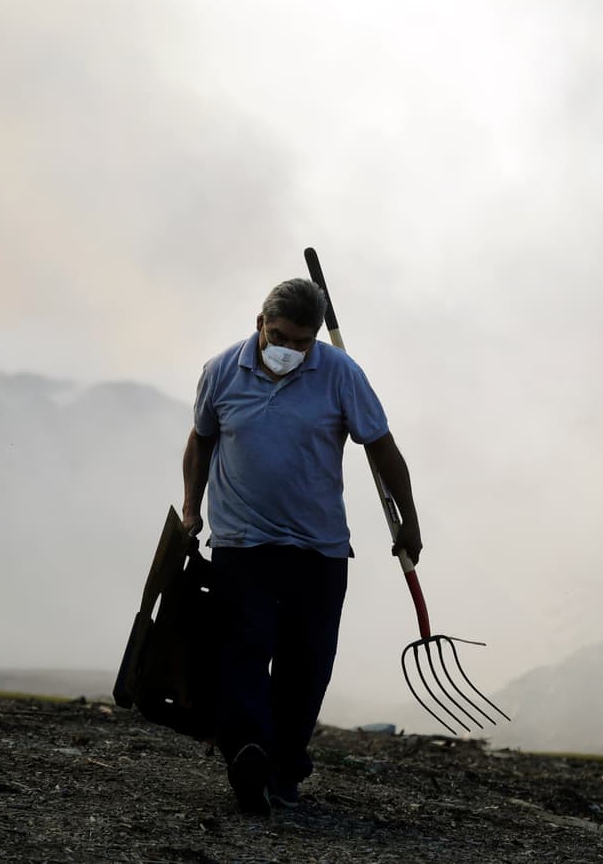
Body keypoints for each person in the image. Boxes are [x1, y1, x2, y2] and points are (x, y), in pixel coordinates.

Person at [181, 276, 422, 815]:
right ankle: (246, 754)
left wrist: (410, 520)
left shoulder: (340, 373)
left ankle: (284, 768)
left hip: (319, 549)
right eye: (281, 336)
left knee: (306, 667)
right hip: (242, 543)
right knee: (242, 652)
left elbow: (382, 446)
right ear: (259, 324)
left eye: (302, 342)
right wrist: (193, 508)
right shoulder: (221, 372)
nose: (290, 349)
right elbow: (200, 441)